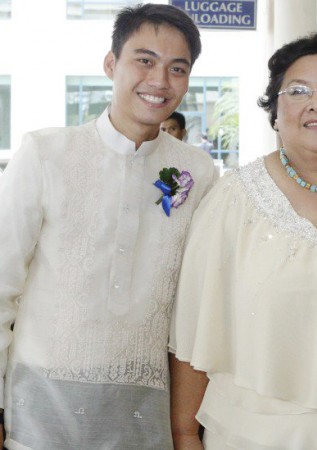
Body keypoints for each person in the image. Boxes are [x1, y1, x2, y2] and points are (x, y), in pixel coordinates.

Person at [169, 30, 317, 449]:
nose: (316, 102)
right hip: (254, 428)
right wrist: (185, 433)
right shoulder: (233, 198)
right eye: (296, 91)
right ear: (275, 114)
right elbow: (194, 326)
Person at [0, 4, 216, 449]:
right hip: (39, 408)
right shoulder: (45, 154)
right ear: (110, 64)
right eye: (144, 60)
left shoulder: (197, 172)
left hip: (143, 412)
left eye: (178, 68)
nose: (159, 81)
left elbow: (194, 302)